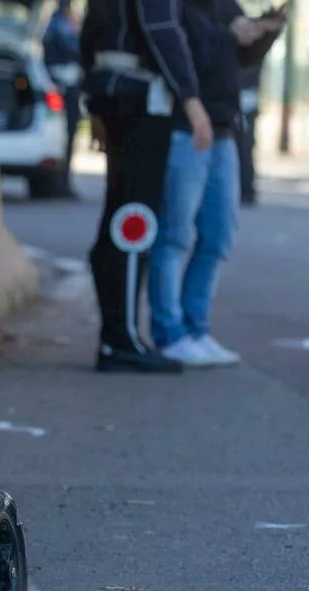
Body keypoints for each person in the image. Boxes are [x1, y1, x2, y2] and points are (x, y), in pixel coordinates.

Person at [147, 0, 285, 368]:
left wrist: (265, 31)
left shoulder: (225, 6)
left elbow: (244, 59)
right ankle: (169, 333)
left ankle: (196, 328)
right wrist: (229, 34)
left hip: (224, 129)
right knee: (175, 234)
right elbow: (179, 58)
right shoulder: (176, 8)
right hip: (186, 126)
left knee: (219, 235)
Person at [80, 0, 209, 373]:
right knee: (134, 222)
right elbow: (161, 27)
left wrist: (93, 103)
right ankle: (123, 340)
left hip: (112, 93)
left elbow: (89, 37)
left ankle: (114, 337)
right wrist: (191, 98)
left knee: (118, 214)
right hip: (142, 98)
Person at [43, 0, 84, 199]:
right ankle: (61, 184)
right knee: (65, 138)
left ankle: (62, 182)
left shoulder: (54, 24)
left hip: (65, 88)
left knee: (66, 138)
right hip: (64, 89)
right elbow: (77, 50)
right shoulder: (60, 25)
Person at [236, 61, 263, 205]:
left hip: (245, 97)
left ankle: (246, 188)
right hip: (244, 95)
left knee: (244, 146)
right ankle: (245, 188)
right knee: (244, 145)